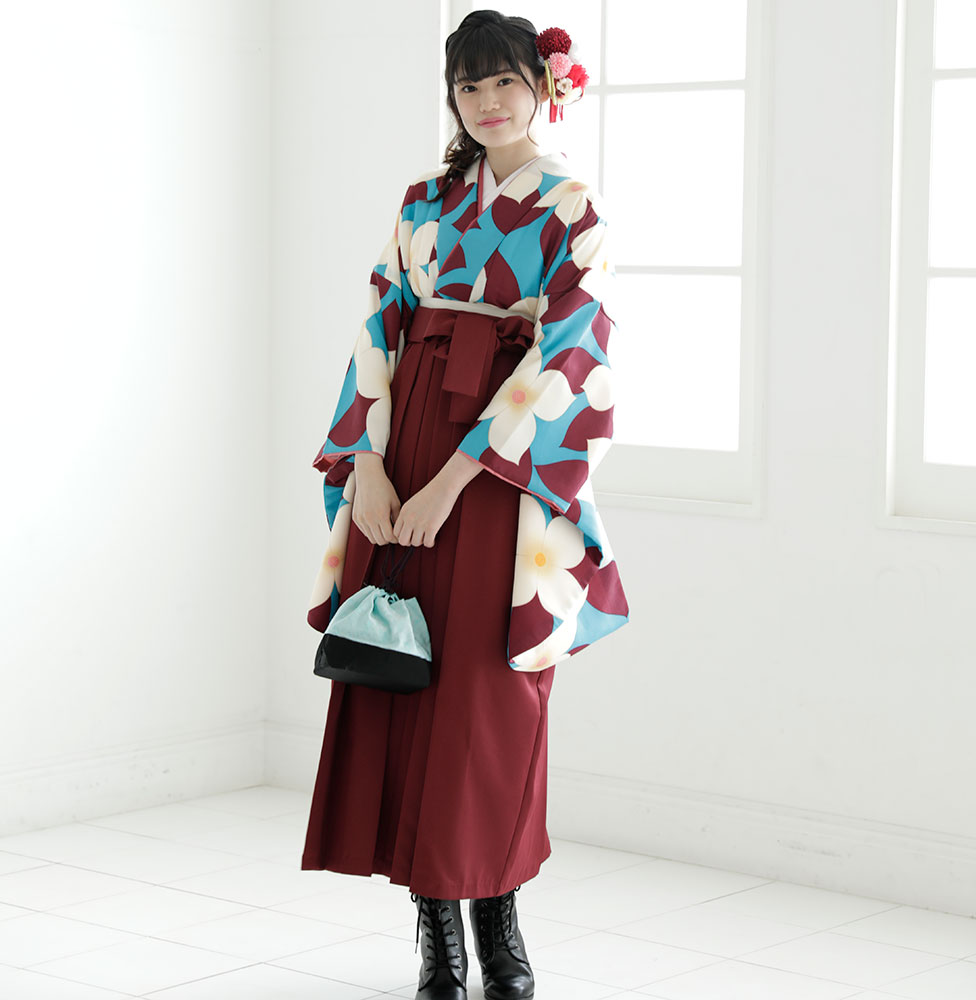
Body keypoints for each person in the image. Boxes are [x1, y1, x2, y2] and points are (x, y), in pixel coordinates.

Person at [301, 10, 629, 999]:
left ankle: (499, 916)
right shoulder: (424, 201)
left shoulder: (571, 208)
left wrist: (453, 479)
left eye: (504, 82)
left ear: (544, 87)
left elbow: (570, 355)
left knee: (489, 698)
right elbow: (380, 323)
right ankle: (435, 927)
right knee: (405, 676)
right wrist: (365, 461)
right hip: (403, 444)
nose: (487, 102)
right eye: (468, 85)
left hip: (497, 473)